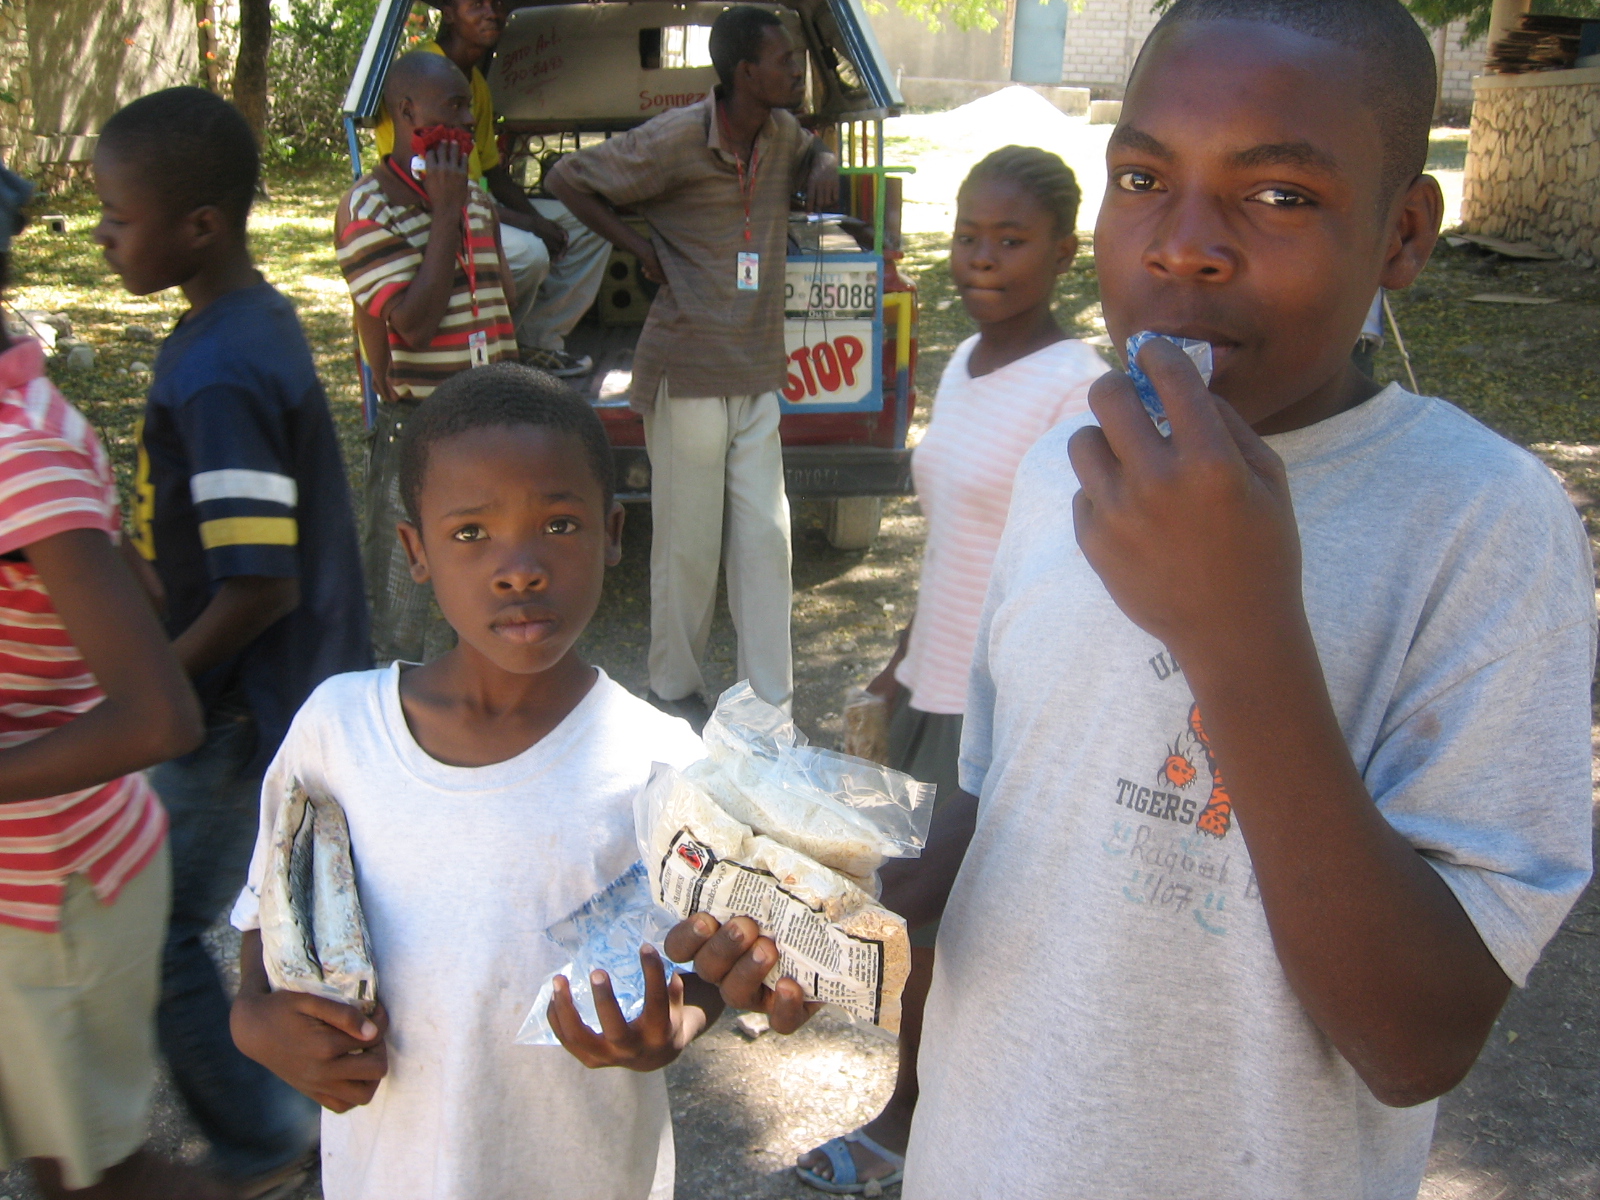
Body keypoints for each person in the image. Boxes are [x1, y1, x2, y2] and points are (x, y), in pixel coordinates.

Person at [670, 2, 1599, 1197]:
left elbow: (1415, 1040)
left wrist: (1238, 632)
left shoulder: (1483, 526)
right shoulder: (1072, 455)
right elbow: (996, 808)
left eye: (1278, 197)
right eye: (1143, 177)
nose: (1183, 248)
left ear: (1402, 233)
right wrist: (824, 923)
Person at [229, 363, 723, 1200]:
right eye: (470, 535)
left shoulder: (665, 763)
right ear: (415, 551)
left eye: (558, 525)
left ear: (612, 532)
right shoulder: (338, 733)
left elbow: (708, 955)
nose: (519, 568)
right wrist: (254, 1021)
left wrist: (682, 1019)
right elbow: (267, 921)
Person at [793, 145, 1104, 1193]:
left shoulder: (1078, 388)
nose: (981, 259)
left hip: (1005, 715)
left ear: (1066, 249)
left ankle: (913, 1121)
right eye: (969, 236)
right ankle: (942, 1119)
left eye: (1010, 241)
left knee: (947, 927)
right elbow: (958, 547)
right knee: (930, 935)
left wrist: (1002, 723)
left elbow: (1064, 579)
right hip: (933, 689)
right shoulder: (969, 365)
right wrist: (896, 658)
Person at [93, 88, 371, 1196]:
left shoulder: (217, 371)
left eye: (118, 217)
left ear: (198, 226)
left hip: (238, 701)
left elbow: (255, 584)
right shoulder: (239, 325)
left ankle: (268, 1143)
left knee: (163, 936)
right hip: (247, 690)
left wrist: (156, 686)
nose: (104, 236)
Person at [0, 163, 214, 1199]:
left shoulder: (17, 455)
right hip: (43, 875)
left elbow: (158, 711)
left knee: (91, 1179)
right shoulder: (27, 392)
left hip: (58, 890)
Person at [548, 4, 838, 724]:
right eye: (784, 61)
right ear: (744, 72)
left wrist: (825, 158)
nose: (796, 71)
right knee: (687, 552)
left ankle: (769, 714)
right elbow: (566, 179)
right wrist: (639, 249)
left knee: (768, 546)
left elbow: (810, 150)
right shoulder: (676, 139)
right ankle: (674, 694)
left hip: (754, 369)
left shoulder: (780, 131)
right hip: (689, 375)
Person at [339, 50, 519, 664]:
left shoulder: (473, 196)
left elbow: (501, 297)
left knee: (481, 594)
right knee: (404, 607)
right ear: (408, 112)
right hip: (423, 429)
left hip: (491, 426)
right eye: (456, 107)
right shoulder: (368, 207)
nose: (469, 122)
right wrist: (445, 210)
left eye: (470, 107)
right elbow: (411, 324)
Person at [373, 0, 611, 378]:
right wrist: (530, 226)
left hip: (475, 203)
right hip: (439, 211)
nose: (493, 13)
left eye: (499, 5)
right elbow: (428, 190)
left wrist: (536, 217)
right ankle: (490, 348)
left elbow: (491, 171)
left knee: (590, 222)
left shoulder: (475, 83)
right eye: (477, 4)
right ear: (449, 13)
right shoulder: (422, 76)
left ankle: (538, 338)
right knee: (530, 254)